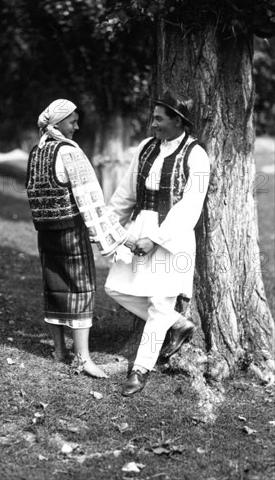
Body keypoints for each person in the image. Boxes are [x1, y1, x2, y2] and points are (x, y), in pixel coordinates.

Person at [104, 90, 210, 395]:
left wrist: (156, 238)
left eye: (159, 119)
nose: (153, 124)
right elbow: (125, 193)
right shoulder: (146, 148)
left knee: (160, 303)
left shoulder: (196, 155)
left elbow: (191, 205)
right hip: (140, 229)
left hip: (172, 237)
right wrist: (110, 228)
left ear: (178, 121)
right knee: (114, 287)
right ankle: (178, 324)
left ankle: (140, 368)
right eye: (153, 117)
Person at [26, 99, 136, 378]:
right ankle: (83, 358)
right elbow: (91, 199)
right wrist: (117, 238)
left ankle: (60, 351)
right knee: (81, 289)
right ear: (58, 123)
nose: (77, 125)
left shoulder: (36, 152)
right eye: (73, 120)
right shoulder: (68, 152)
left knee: (54, 288)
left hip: (46, 233)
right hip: (71, 232)